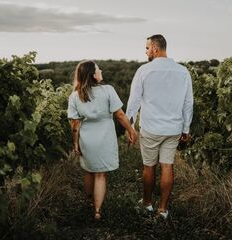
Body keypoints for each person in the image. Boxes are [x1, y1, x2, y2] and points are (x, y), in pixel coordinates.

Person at [126, 34, 193, 219]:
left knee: (149, 167)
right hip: (174, 129)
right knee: (167, 166)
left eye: (147, 48)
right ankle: (163, 209)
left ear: (155, 48)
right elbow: (188, 103)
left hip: (151, 128)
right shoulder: (183, 71)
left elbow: (134, 101)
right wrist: (186, 128)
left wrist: (129, 126)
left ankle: (147, 204)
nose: (146, 51)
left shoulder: (144, 71)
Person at [67, 60, 137, 220]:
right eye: (98, 69)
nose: (101, 71)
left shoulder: (74, 96)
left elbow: (75, 124)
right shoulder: (108, 90)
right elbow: (119, 115)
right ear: (93, 75)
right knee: (100, 174)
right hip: (105, 136)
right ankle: (98, 211)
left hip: (87, 138)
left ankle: (89, 201)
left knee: (88, 170)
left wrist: (76, 143)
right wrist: (131, 130)